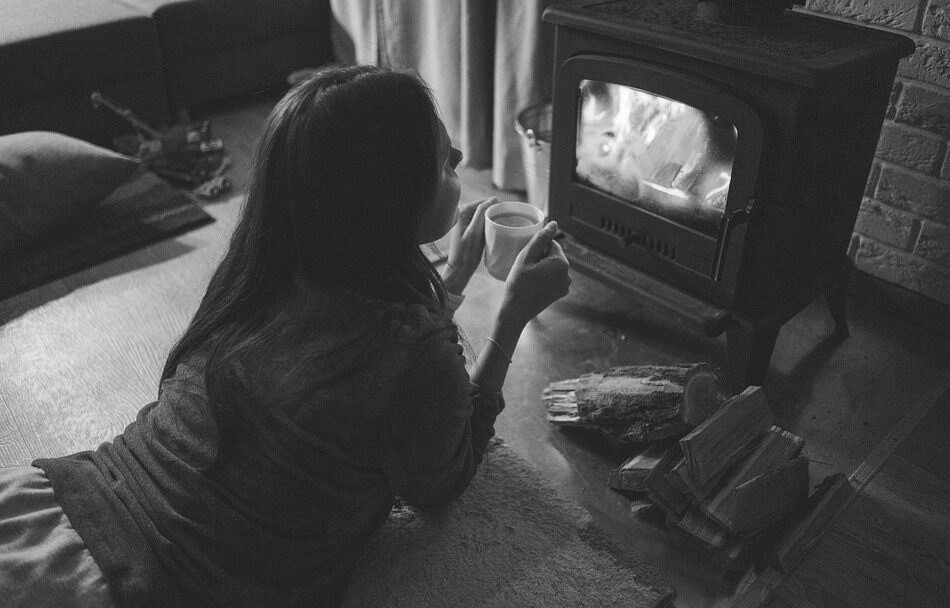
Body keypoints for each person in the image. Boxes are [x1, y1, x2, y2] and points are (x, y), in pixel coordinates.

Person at [0, 65, 571, 607]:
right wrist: (512, 316)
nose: (462, 159)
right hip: (149, 585)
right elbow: (442, 479)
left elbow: (344, 352)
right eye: (444, 161)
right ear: (388, 199)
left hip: (72, 500)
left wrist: (448, 284)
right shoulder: (415, 355)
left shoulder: (258, 273)